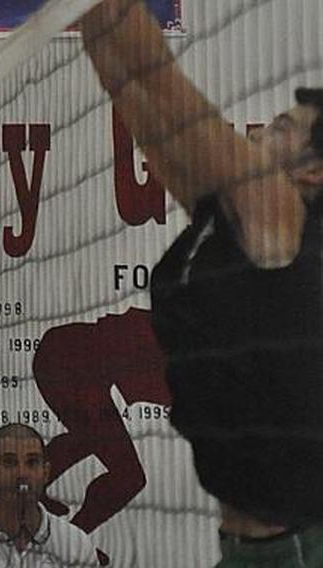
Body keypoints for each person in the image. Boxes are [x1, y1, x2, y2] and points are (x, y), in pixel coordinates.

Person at [80, 0, 323, 565]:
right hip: (247, 545)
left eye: (284, 129)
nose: (263, 129)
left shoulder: (279, 214)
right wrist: (84, 14)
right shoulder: (226, 214)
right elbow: (128, 86)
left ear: (312, 172)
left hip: (296, 549)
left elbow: (163, 81)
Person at [34, 307, 168, 564]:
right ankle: (67, 544)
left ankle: (31, 491)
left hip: (67, 359)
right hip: (68, 365)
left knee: (89, 438)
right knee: (129, 475)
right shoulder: (168, 331)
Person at [0, 424, 99, 567]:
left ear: (46, 472)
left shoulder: (75, 544)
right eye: (9, 462)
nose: (22, 474)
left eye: (32, 462)